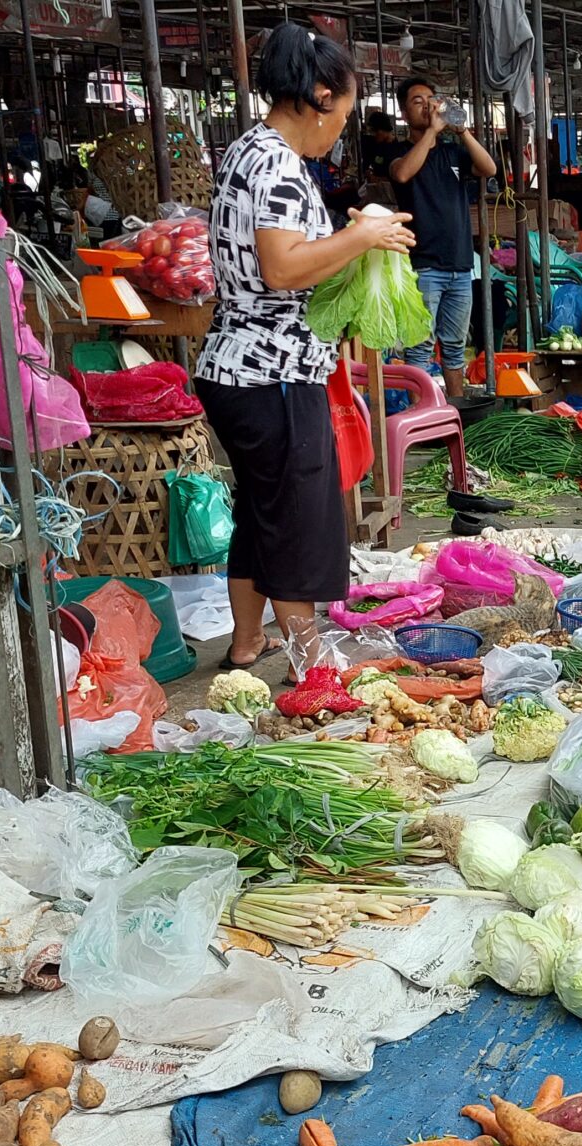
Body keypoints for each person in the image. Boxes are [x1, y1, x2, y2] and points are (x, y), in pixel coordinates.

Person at [198, 22, 415, 668]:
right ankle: (312, 659)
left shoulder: (248, 152)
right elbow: (283, 268)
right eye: (341, 118)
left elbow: (291, 260)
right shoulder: (279, 166)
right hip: (274, 376)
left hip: (237, 370)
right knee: (297, 519)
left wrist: (346, 241)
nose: (338, 132)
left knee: (264, 513)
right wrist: (364, 240)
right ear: (320, 97)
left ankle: (246, 642)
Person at [391, 79, 499, 397]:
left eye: (430, 99)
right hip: (424, 265)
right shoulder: (399, 152)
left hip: (461, 266)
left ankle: (453, 415)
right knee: (419, 348)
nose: (427, 106)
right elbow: (402, 174)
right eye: (417, 101)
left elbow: (489, 168)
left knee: (454, 348)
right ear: (403, 112)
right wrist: (432, 133)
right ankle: (420, 419)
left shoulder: (453, 152)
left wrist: (462, 130)